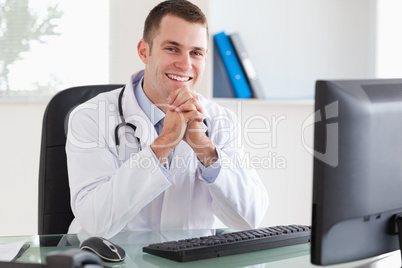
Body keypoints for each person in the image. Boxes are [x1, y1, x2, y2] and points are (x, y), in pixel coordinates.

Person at [66, 0, 268, 238]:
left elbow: (250, 218)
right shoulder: (90, 117)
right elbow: (95, 222)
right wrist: (163, 144)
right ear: (144, 51)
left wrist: (205, 149)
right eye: (172, 48)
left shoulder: (221, 120)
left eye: (196, 53)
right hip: (113, 260)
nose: (185, 65)